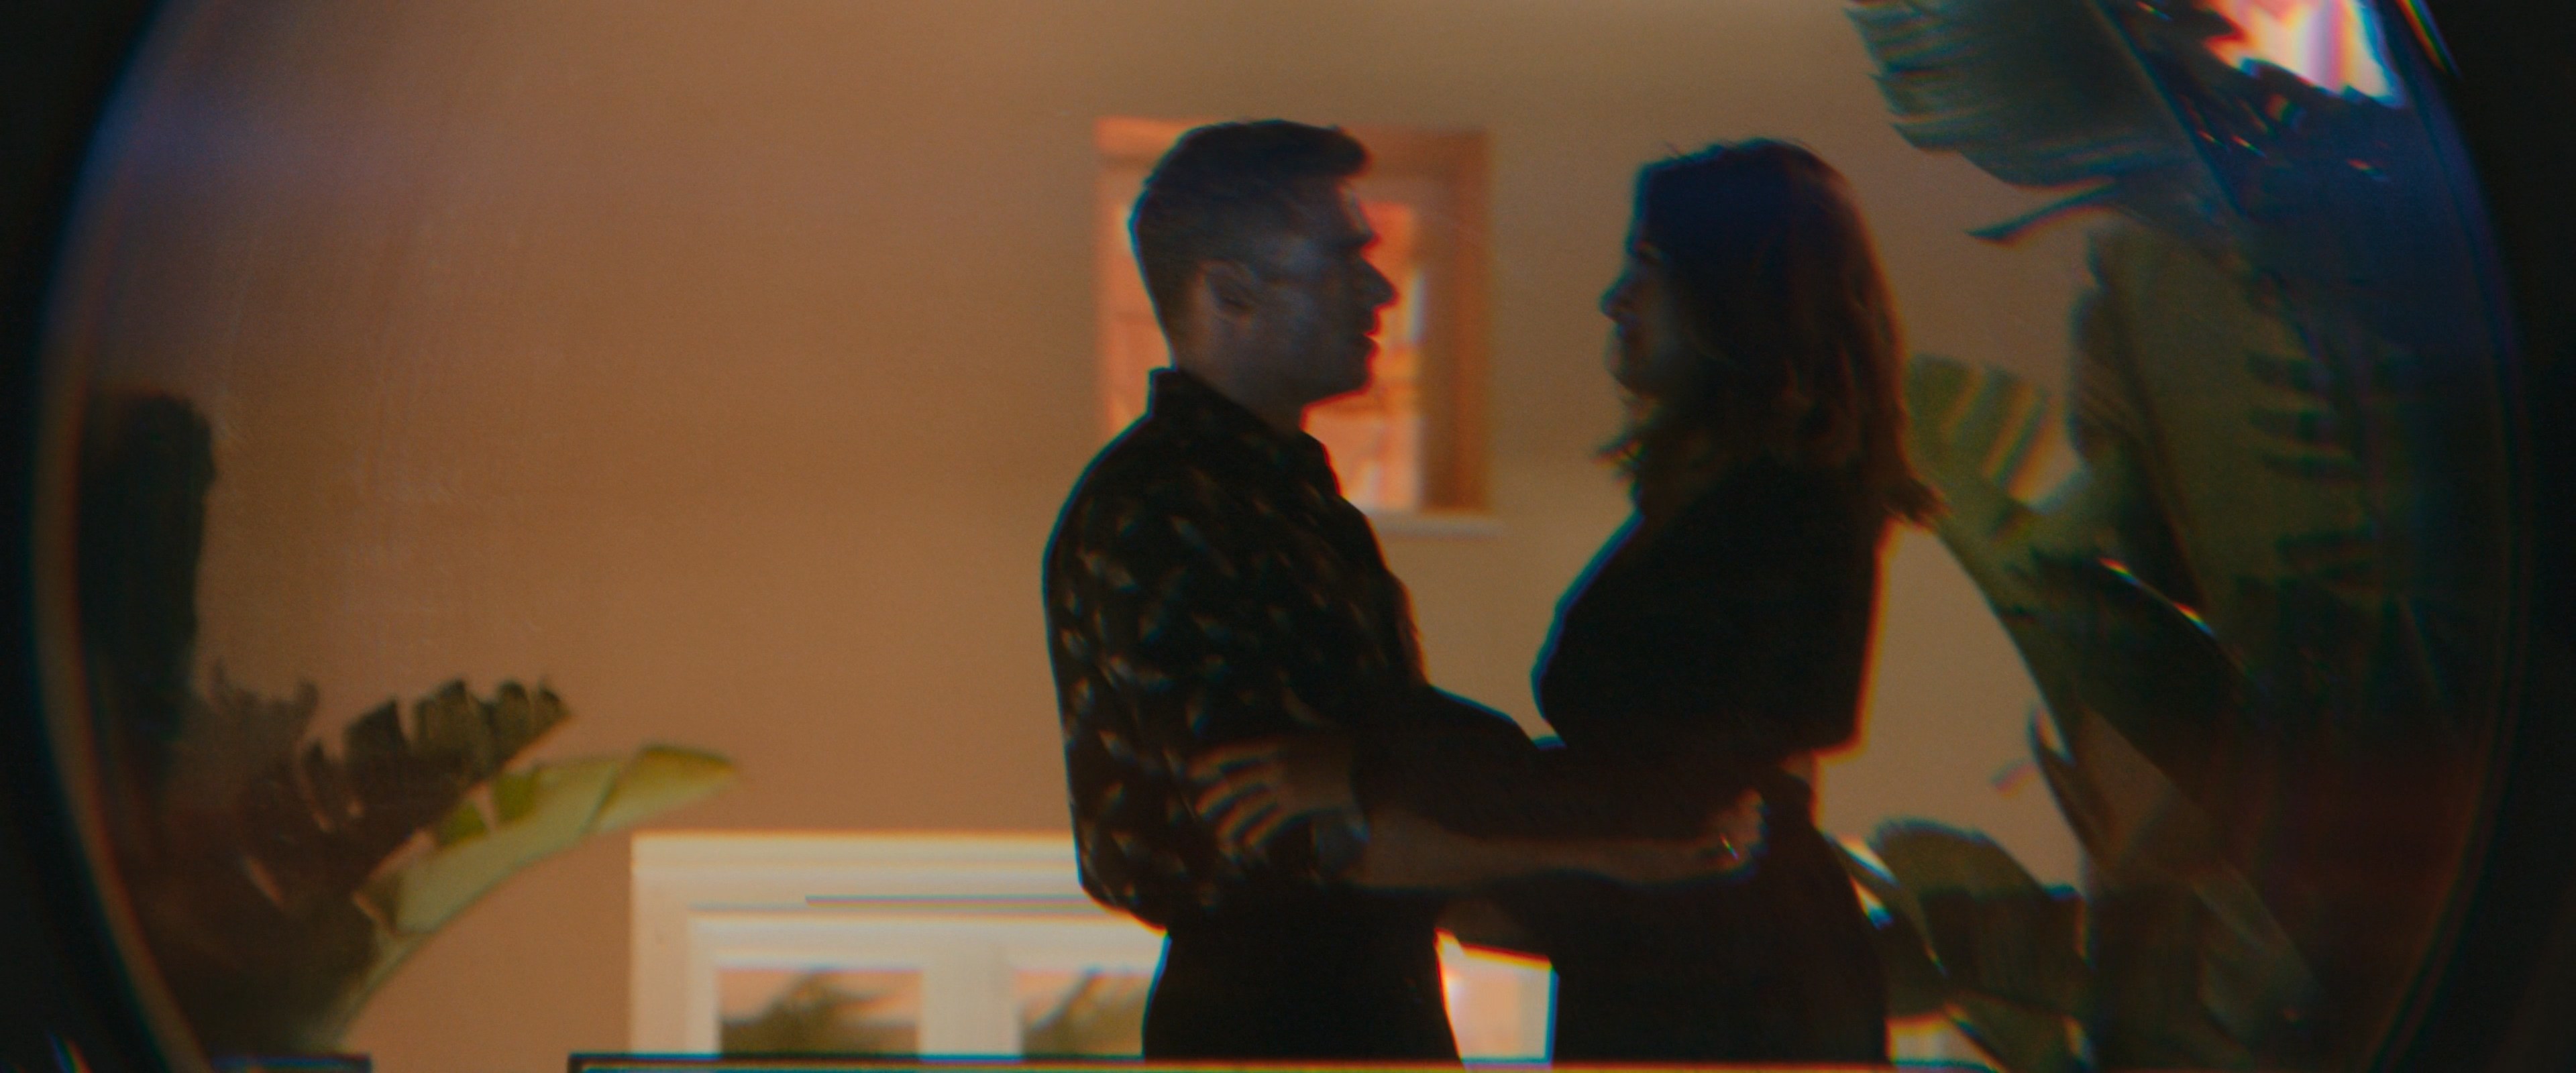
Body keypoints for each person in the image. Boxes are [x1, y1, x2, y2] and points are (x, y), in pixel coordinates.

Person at [1193, 140, 1933, 1062]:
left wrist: (1371, 772)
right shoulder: (1735, 510)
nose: (1617, 299)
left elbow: (1669, 792)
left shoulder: (1781, 517)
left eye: (1650, 267)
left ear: (1734, 298)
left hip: (1735, 998)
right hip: (1708, 976)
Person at [1040, 120, 1754, 1062]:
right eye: (1344, 259)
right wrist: (1611, 846)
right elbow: (1300, 833)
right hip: (1278, 1031)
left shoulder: (1290, 505)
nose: (1381, 291)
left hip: (1354, 1010)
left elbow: (1371, 794)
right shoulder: (1165, 510)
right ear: (1230, 290)